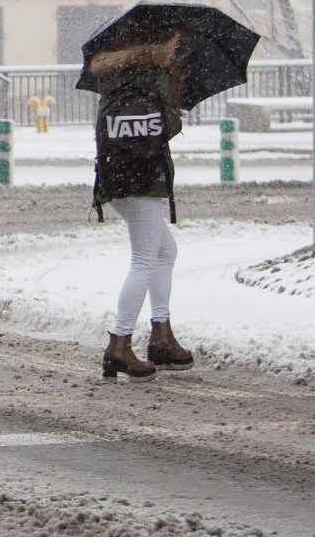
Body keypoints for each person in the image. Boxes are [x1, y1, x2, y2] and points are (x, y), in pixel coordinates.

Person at [88, 29, 195, 382]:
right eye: (175, 44)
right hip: (142, 178)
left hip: (116, 176)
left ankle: (161, 335)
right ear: (159, 44)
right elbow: (168, 125)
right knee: (146, 259)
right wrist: (175, 89)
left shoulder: (115, 77)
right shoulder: (153, 81)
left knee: (165, 252)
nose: (177, 50)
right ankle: (119, 344)